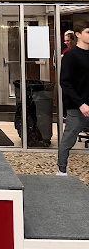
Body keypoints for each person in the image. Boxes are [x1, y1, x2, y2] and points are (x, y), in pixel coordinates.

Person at [57, 20, 89, 175]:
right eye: (88, 32)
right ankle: (61, 171)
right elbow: (65, 82)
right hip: (78, 107)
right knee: (68, 139)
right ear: (78, 35)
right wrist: (80, 103)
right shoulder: (70, 55)